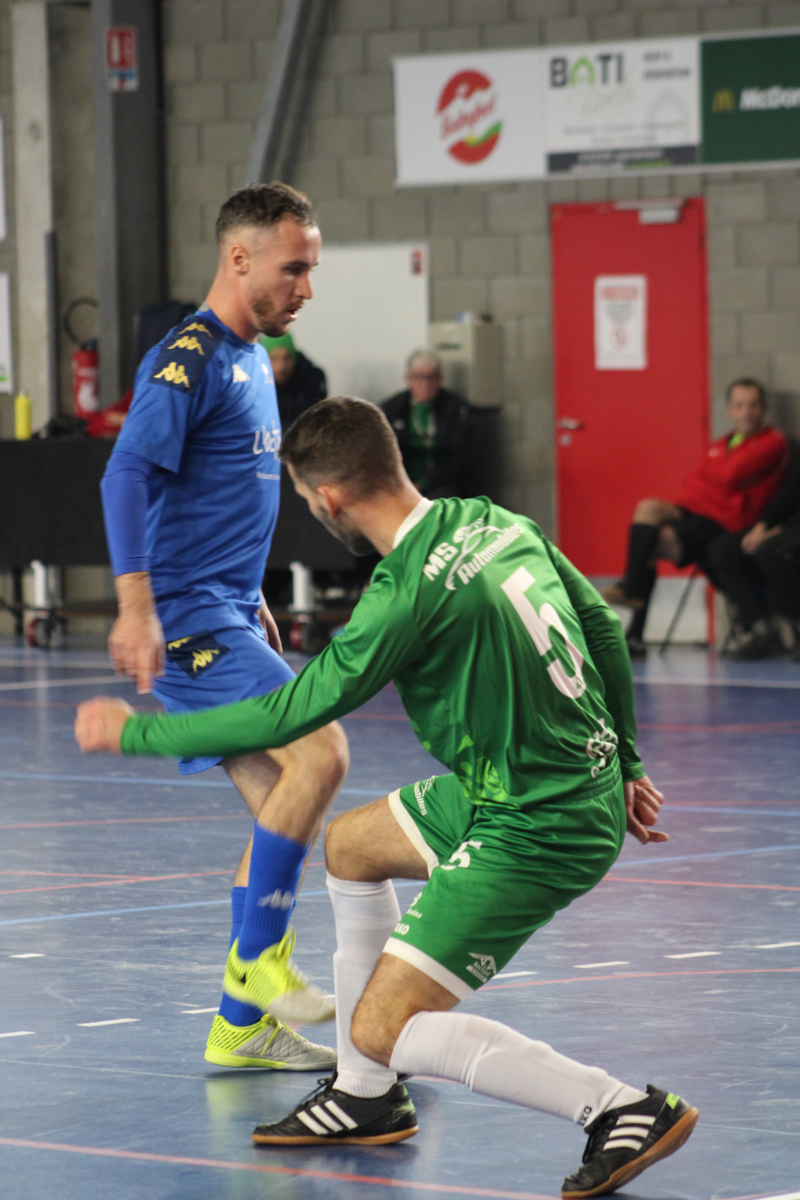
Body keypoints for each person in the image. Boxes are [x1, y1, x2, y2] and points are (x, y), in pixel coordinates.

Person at [78, 398, 698, 1198]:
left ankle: (618, 1107)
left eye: (305, 498)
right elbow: (602, 629)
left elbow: (286, 715)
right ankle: (365, 1094)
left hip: (538, 825)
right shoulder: (489, 518)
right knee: (350, 845)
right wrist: (626, 759)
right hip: (536, 784)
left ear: (330, 499)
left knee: (383, 1026)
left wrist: (136, 733)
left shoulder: (403, 595)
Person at [98, 182, 349, 1073]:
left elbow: (222, 495)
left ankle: (240, 1027)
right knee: (322, 755)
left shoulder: (253, 357)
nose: (306, 288)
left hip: (227, 608)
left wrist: (253, 597)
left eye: (311, 269)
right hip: (188, 621)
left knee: (285, 803)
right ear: (239, 259)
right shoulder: (190, 357)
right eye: (294, 269)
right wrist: (136, 607)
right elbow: (124, 478)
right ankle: (260, 962)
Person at [602, 379, 787, 656]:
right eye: (739, 406)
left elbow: (728, 476)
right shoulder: (722, 444)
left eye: (752, 405)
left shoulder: (771, 442)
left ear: (763, 409)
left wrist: (710, 483)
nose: (746, 412)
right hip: (697, 511)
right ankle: (631, 588)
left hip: (727, 522)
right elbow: (693, 483)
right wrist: (709, 486)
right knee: (648, 508)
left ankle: (635, 628)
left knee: (654, 542)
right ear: (729, 409)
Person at [708, 440, 800, 659]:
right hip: (787, 526)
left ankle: (796, 625)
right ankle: (761, 628)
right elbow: (789, 495)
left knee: (771, 551)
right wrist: (763, 526)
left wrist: (778, 531)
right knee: (723, 550)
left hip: (791, 531)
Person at [381, 350, 470, 499]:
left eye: (431, 377)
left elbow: (459, 457)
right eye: (418, 377)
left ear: (440, 379)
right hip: (402, 481)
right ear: (408, 378)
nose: (425, 384)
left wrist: (424, 483)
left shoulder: (455, 409)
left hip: (441, 482)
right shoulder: (392, 408)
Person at [262, 331, 327, 428]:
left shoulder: (312, 380)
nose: (281, 367)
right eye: (274, 359)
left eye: (287, 358)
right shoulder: (254, 385)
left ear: (294, 358)